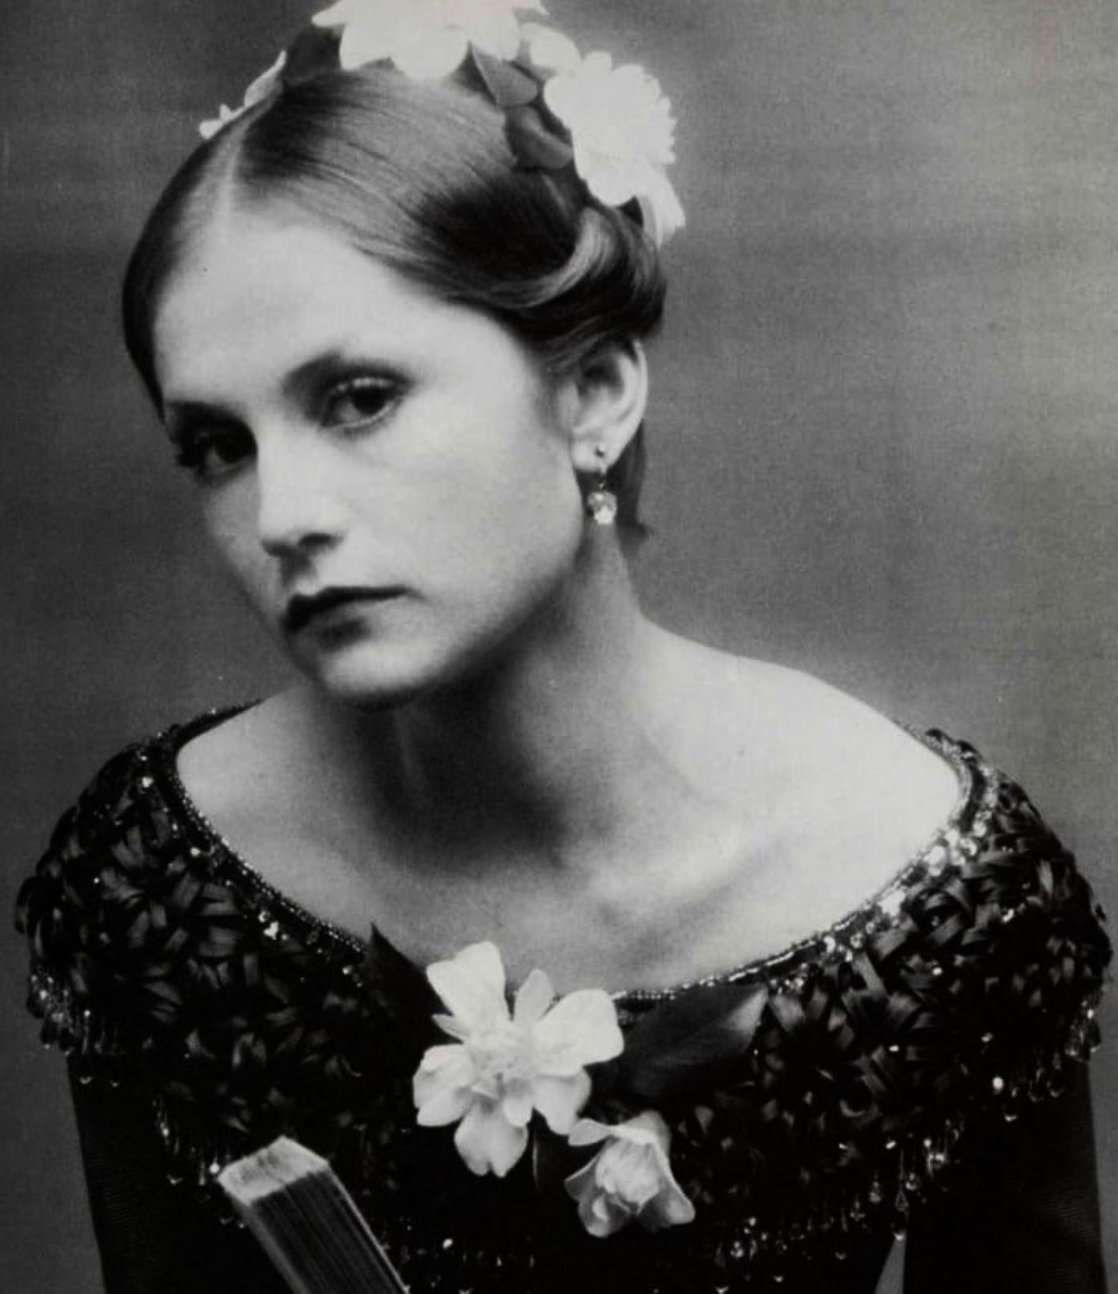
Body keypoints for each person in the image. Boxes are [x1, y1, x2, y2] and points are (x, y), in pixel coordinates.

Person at [15, 3, 1111, 1291]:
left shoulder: (933, 893)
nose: (281, 517)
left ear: (594, 391)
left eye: (359, 398)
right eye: (218, 446)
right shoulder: (161, 886)